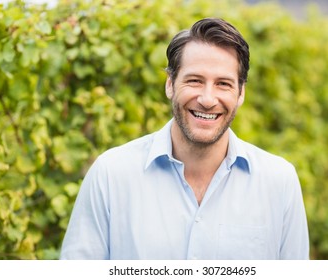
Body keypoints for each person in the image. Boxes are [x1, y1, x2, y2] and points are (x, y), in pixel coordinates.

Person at [60, 18, 309, 260]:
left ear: (241, 93)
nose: (208, 99)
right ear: (170, 84)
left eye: (223, 84)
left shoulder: (279, 182)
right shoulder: (110, 175)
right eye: (194, 80)